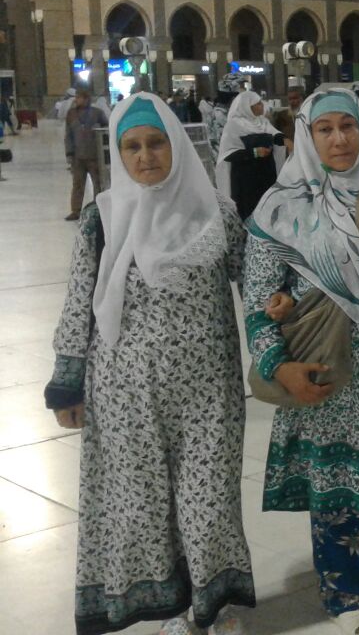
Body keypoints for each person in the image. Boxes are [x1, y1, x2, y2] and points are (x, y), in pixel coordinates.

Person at [45, 92, 255, 635]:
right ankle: (176, 610)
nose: (145, 156)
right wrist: (67, 384)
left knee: (208, 505)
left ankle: (214, 607)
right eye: (132, 146)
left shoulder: (217, 214)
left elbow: (255, 282)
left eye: (156, 142)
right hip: (125, 396)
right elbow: (78, 303)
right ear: (118, 153)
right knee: (144, 509)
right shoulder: (103, 218)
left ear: (176, 144)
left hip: (210, 395)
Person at [244, 90, 359, 635]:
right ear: (306, 137)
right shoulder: (282, 208)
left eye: (347, 126)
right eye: (324, 129)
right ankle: (344, 593)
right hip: (329, 372)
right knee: (338, 484)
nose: (339, 139)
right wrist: (278, 365)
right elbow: (257, 298)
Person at [216, 90, 285, 220]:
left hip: (266, 175)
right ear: (247, 107)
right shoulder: (233, 126)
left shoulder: (262, 122)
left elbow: (275, 135)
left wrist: (287, 140)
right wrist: (255, 152)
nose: (262, 106)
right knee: (250, 211)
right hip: (246, 179)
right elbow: (228, 154)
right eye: (258, 104)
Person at [65, 89, 110, 221]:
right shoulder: (71, 114)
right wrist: (69, 153)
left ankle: (99, 208)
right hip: (78, 157)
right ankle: (75, 210)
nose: (77, 100)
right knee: (78, 184)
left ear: (86, 99)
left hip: (94, 156)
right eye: (76, 97)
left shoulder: (97, 113)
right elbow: (68, 135)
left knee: (98, 183)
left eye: (79, 98)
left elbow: (106, 130)